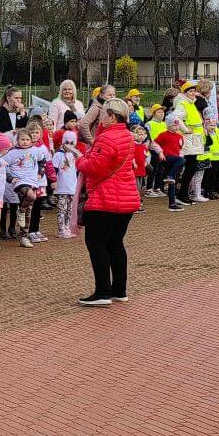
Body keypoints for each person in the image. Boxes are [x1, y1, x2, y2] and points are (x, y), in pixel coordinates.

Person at [76, 98, 139, 307]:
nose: (99, 116)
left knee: (96, 244)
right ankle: (119, 289)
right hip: (127, 197)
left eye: (103, 113)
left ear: (112, 116)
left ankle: (102, 291)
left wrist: (80, 160)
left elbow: (96, 167)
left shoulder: (106, 138)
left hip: (105, 198)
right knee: (115, 243)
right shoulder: (128, 136)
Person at [169, 82, 205, 205]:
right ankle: (182, 194)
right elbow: (176, 117)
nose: (193, 93)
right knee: (190, 167)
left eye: (194, 91)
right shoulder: (183, 103)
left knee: (191, 167)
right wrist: (185, 129)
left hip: (194, 140)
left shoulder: (190, 103)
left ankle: (183, 193)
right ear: (184, 93)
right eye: (190, 91)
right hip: (189, 140)